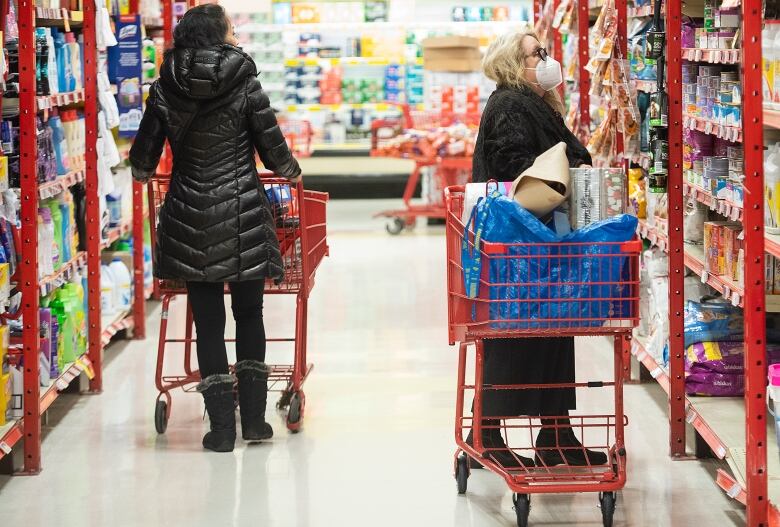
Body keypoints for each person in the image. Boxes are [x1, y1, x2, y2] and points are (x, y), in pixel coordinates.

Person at [129, 4, 301, 453]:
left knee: (206, 321)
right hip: (242, 210)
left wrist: (145, 170)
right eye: (230, 26)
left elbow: (143, 158)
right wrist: (292, 172)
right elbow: (272, 148)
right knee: (249, 314)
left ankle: (221, 429)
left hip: (190, 214)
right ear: (219, 34)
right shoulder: (245, 82)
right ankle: (257, 423)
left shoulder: (165, 85)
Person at [469, 31, 608, 469]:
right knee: (513, 335)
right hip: (517, 243)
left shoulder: (532, 102)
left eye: (545, 51)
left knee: (552, 333)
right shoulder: (510, 105)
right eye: (536, 54)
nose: (546, 60)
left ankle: (555, 435)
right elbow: (512, 167)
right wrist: (563, 168)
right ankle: (486, 435)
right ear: (514, 62)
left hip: (540, 239)